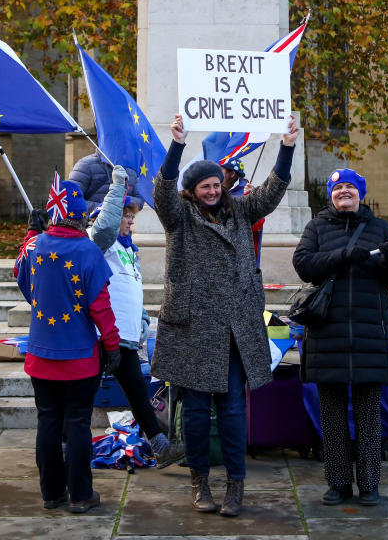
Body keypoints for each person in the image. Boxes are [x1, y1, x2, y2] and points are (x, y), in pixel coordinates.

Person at [152, 113, 300, 517]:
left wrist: (286, 148)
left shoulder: (238, 211)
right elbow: (162, 190)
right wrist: (177, 145)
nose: (214, 190)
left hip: (235, 328)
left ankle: (236, 484)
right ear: (192, 191)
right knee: (197, 413)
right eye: (206, 186)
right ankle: (200, 481)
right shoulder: (179, 216)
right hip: (194, 327)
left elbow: (270, 193)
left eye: (218, 184)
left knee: (234, 409)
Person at [293, 168, 388, 507]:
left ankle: (371, 485)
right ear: (331, 195)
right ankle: (339, 483)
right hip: (327, 335)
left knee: (368, 417)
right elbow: (303, 264)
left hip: (369, 334)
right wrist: (341, 256)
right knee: (331, 415)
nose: (344, 192)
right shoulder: (317, 227)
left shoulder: (380, 228)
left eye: (350, 187)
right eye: (337, 188)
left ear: (361, 192)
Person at [15, 179, 120, 514]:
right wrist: (113, 345)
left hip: (41, 355)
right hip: (79, 358)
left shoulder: (36, 246)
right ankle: (80, 494)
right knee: (77, 424)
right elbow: (100, 306)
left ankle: (51, 493)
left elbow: (24, 282)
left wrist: (30, 237)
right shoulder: (88, 250)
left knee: (47, 422)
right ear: (80, 215)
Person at [88, 165, 183, 468]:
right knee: (82, 396)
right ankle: (67, 445)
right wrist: (117, 187)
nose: (129, 221)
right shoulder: (100, 241)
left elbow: (130, 289)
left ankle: (160, 446)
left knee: (138, 394)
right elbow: (105, 227)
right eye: (124, 215)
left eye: (132, 216)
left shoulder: (129, 249)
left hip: (125, 338)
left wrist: (142, 319)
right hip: (102, 336)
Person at [67, 152, 145, 214]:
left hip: (121, 228)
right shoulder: (85, 164)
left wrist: (120, 203)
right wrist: (105, 208)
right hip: (90, 226)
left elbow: (140, 200)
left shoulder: (131, 167)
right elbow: (71, 198)